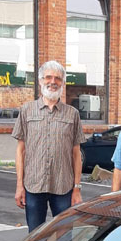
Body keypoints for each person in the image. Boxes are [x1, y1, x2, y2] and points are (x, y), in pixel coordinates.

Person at [12, 60, 85, 230]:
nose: (53, 82)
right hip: (33, 186)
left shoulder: (72, 114)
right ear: (40, 81)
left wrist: (77, 188)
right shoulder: (27, 110)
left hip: (63, 187)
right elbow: (20, 151)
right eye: (48, 77)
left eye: (58, 78)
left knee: (65, 236)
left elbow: (76, 154)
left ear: (63, 83)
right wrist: (19, 186)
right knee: (35, 237)